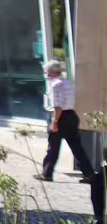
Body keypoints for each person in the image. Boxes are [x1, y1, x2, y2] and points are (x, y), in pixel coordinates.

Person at [39, 60, 101, 188]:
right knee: (77, 147)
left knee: (53, 147)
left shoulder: (55, 85)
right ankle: (89, 174)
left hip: (60, 117)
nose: (46, 74)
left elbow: (58, 106)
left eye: (47, 71)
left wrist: (54, 122)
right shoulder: (68, 83)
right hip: (71, 116)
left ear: (52, 72)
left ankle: (47, 173)